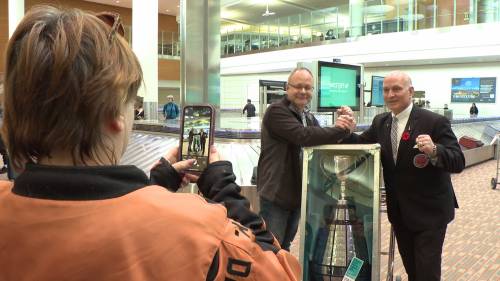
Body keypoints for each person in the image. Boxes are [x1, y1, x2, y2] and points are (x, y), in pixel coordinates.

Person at [0, 6, 301, 281]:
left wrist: (152, 187)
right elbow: (280, 272)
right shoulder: (200, 230)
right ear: (113, 114)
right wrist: (222, 187)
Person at [339, 71, 465, 281]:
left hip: (430, 212)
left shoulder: (434, 121)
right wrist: (346, 130)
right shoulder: (381, 122)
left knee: (427, 273)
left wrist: (435, 151)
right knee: (412, 270)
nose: (390, 94)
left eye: (396, 89)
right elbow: (362, 146)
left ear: (411, 92)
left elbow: (458, 161)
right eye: (386, 90)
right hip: (400, 213)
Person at [257, 67, 355, 251]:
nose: (303, 91)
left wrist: (345, 122)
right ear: (287, 88)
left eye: (308, 88)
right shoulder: (277, 112)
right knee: (270, 249)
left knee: (284, 248)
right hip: (276, 195)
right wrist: (341, 128)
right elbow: (303, 136)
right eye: (298, 87)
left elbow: (322, 139)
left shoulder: (307, 116)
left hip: (296, 195)